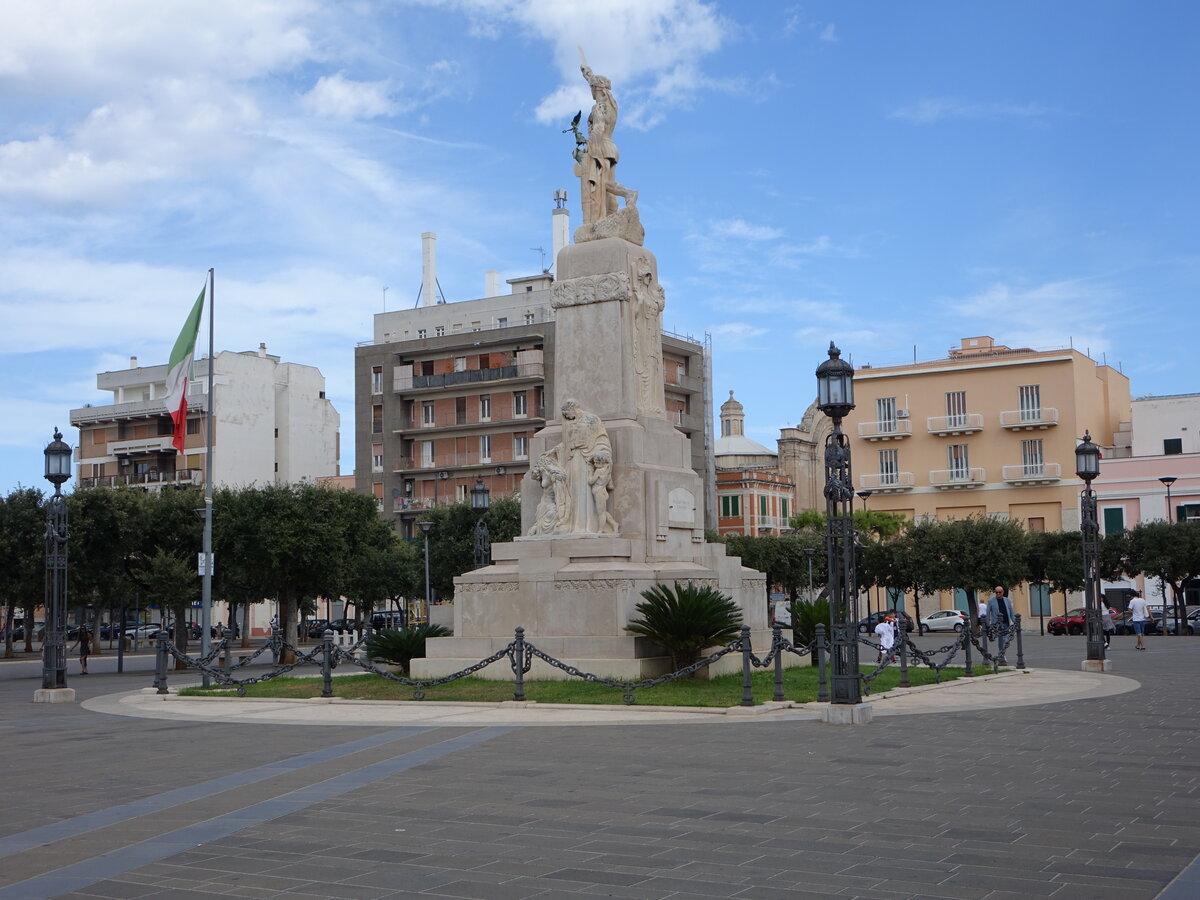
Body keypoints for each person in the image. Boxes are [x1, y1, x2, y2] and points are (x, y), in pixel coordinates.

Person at [985, 585, 1015, 664]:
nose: (998, 594)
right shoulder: (991, 601)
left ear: (1003, 592)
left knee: (1005, 639)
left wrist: (1015, 622)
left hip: (1006, 623)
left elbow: (1011, 612)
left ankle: (1002, 653)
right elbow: (988, 613)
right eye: (996, 592)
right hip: (997, 624)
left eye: (1000, 592)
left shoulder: (1007, 600)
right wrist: (988, 624)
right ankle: (1002, 655)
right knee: (1001, 639)